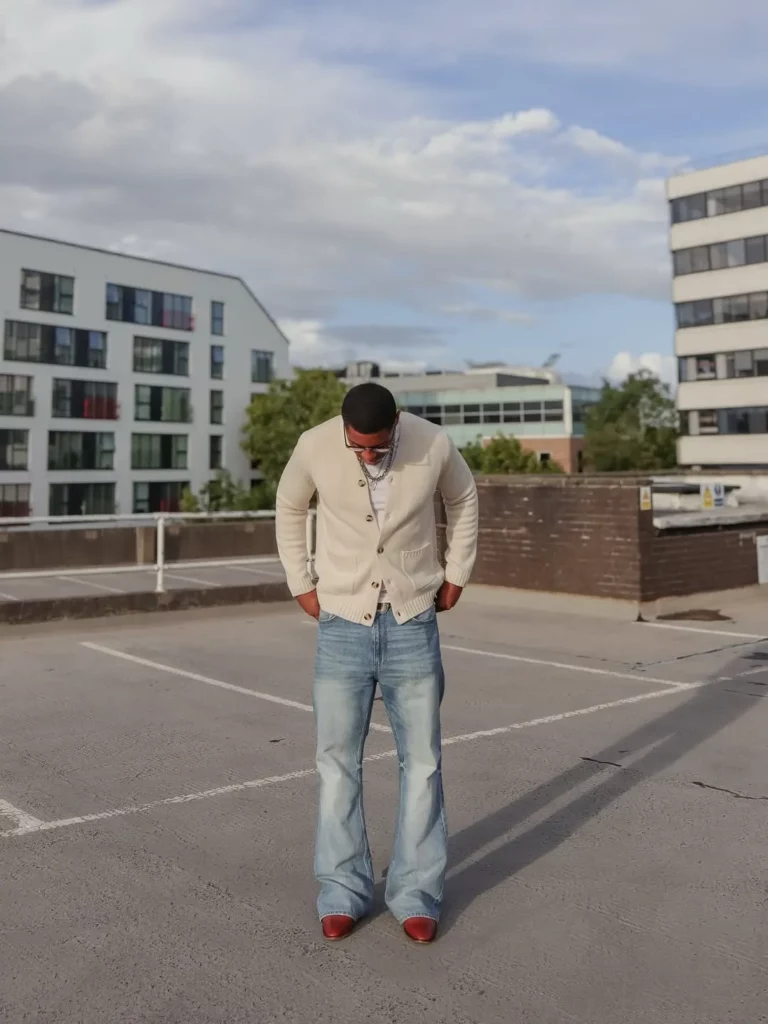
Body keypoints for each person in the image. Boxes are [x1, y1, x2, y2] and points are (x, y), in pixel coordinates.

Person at [275, 381, 478, 944]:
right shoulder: (314, 445)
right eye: (357, 447)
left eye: (378, 447)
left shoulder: (432, 443)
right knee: (336, 761)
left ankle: (416, 892)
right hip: (341, 622)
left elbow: (462, 497)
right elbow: (290, 505)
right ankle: (342, 890)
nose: (367, 455)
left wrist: (458, 571)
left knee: (424, 762)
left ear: (396, 425)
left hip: (413, 618)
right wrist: (302, 583)